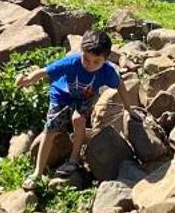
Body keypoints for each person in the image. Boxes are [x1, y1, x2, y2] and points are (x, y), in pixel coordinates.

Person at [19, 30, 132, 179]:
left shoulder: (107, 71)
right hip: (61, 94)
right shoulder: (72, 62)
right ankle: (37, 172)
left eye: (96, 61)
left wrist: (128, 109)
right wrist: (27, 80)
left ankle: (74, 159)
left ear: (105, 59)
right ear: (81, 51)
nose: (89, 65)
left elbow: (120, 85)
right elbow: (45, 71)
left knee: (78, 120)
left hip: (84, 96)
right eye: (86, 58)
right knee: (51, 128)